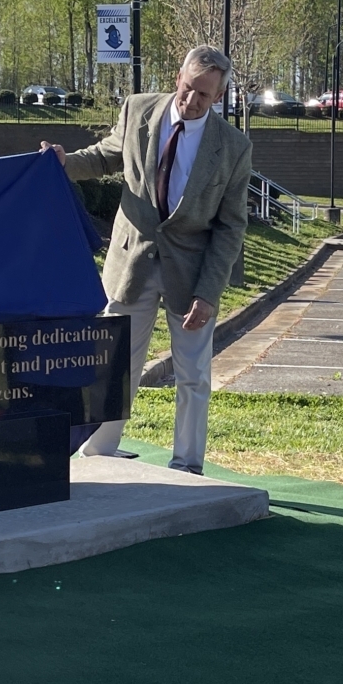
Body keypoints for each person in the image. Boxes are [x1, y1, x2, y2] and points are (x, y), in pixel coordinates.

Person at [47, 45, 252, 475]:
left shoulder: (233, 147)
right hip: (131, 261)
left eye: (204, 95)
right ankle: (98, 450)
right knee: (114, 361)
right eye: (188, 88)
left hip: (193, 273)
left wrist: (209, 293)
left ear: (219, 98)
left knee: (193, 376)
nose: (192, 100)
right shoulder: (138, 109)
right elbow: (105, 156)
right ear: (178, 75)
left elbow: (231, 226)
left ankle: (188, 466)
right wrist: (65, 163)